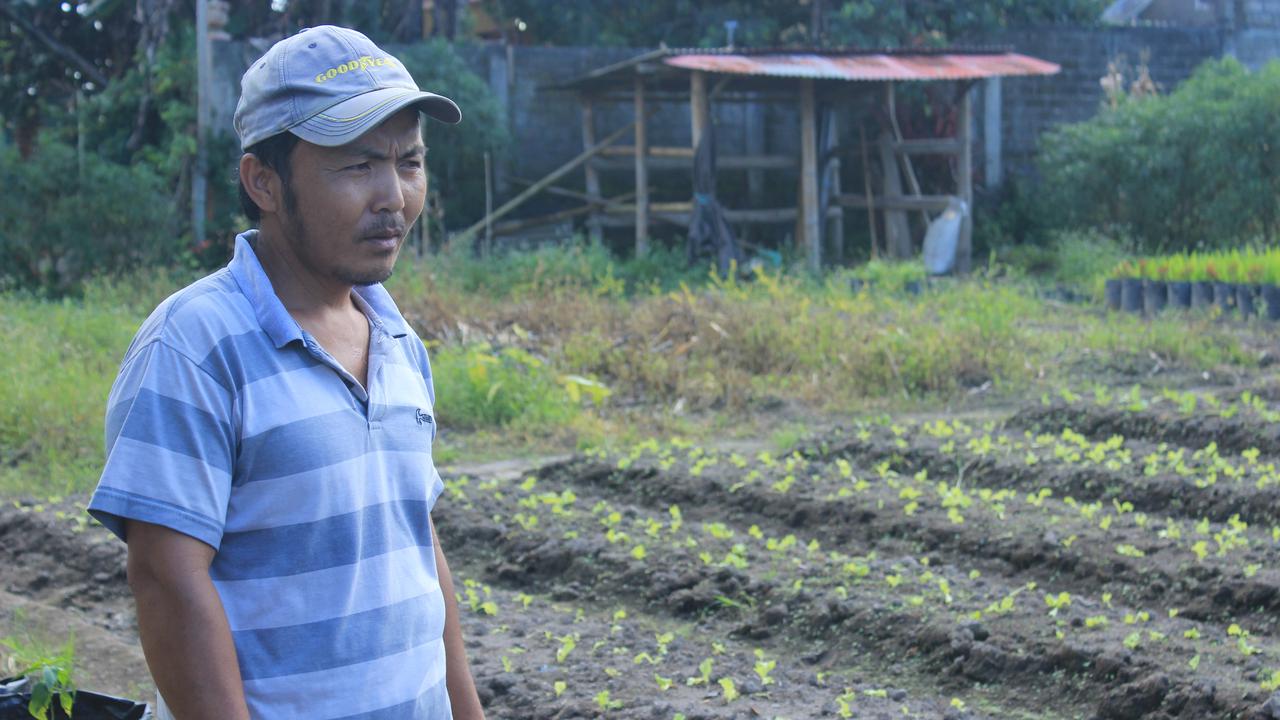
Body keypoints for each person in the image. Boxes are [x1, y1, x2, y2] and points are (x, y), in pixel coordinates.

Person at [87, 25, 484, 719]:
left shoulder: (398, 341)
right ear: (264, 182)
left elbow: (414, 544)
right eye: (357, 166)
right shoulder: (196, 345)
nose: (393, 196)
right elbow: (167, 580)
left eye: (409, 162)